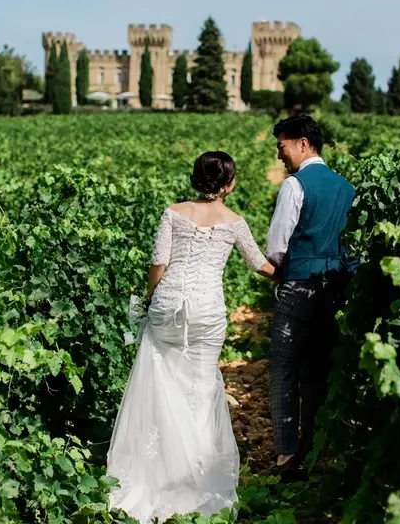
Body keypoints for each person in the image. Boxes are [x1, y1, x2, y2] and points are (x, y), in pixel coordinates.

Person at [107, 151, 275, 523]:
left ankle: (156, 473)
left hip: (169, 305)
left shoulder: (173, 212)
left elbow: (158, 263)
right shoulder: (234, 222)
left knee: (160, 380)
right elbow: (259, 264)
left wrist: (150, 299)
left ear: (196, 179)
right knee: (200, 387)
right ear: (228, 184)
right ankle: (196, 476)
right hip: (208, 310)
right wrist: (291, 275)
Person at [264, 113, 356, 479]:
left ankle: (287, 456)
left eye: (282, 147)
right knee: (318, 369)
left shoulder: (294, 185)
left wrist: (282, 269)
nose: (279, 155)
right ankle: (314, 451)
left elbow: (276, 248)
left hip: (299, 283)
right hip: (334, 285)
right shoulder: (345, 187)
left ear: (302, 143)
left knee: (284, 367)